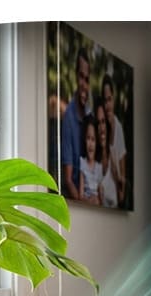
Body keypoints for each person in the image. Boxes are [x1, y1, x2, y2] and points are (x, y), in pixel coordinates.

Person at [59, 48, 92, 200]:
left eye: (87, 79)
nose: (84, 84)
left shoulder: (91, 116)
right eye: (81, 77)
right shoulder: (68, 119)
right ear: (75, 77)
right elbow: (68, 179)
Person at [99, 73, 127, 207]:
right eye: (105, 100)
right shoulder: (100, 127)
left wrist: (119, 181)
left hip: (114, 199)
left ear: (114, 99)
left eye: (109, 99)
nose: (107, 105)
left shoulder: (119, 129)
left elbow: (122, 176)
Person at [95, 105, 119, 208]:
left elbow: (120, 195)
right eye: (98, 123)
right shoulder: (92, 158)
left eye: (103, 121)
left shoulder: (113, 154)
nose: (101, 128)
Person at [78, 114, 103, 206]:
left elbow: (101, 197)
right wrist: (89, 201)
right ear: (85, 140)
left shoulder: (99, 167)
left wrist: (98, 201)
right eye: (88, 138)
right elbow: (80, 195)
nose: (90, 144)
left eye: (93, 140)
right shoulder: (82, 163)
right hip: (87, 204)